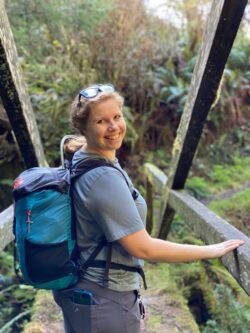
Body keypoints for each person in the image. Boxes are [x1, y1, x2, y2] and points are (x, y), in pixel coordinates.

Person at [53, 83, 244, 333]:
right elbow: (143, 247)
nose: (113, 127)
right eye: (101, 121)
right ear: (84, 127)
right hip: (105, 299)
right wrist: (209, 250)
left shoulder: (85, 156)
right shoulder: (102, 178)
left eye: (117, 117)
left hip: (85, 292)